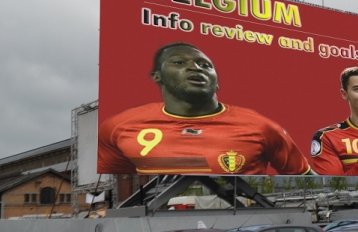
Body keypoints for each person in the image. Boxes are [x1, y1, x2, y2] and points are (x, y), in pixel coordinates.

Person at [97, 42, 313, 175]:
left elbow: (304, 175)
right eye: (179, 63)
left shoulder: (261, 126)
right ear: (156, 76)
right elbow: (119, 179)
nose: (195, 67)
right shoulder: (119, 126)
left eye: (205, 65)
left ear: (217, 82)